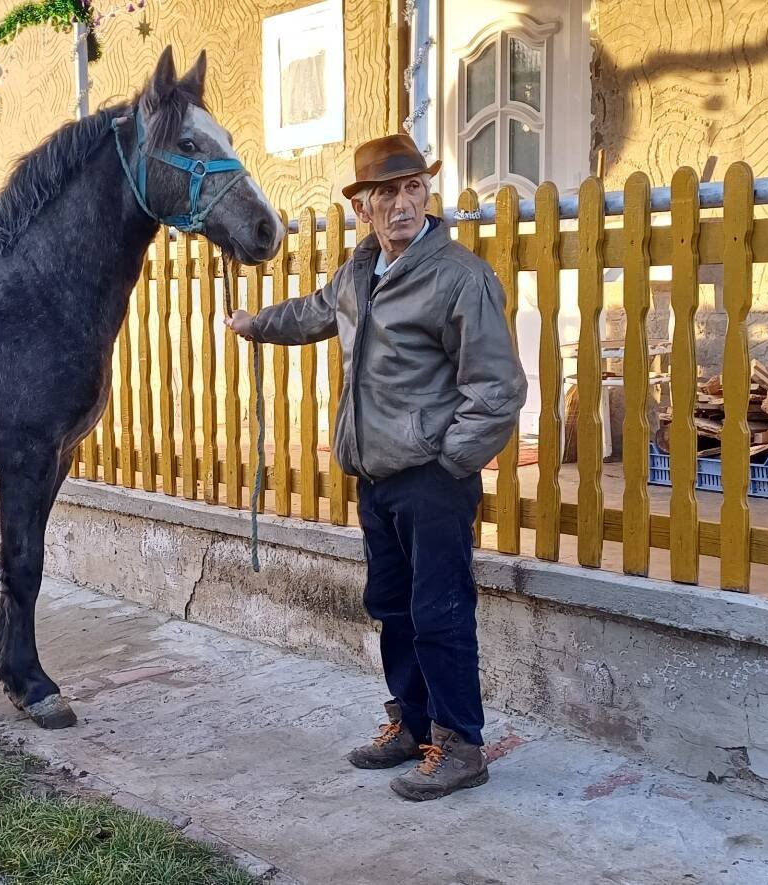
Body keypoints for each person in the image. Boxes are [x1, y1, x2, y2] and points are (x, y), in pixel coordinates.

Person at [225, 133, 526, 801]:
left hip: (432, 478)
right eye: (386, 193)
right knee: (392, 605)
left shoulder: (458, 277)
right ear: (362, 206)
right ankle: (413, 725)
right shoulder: (360, 273)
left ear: (427, 194)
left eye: (414, 188)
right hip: (377, 478)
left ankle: (460, 743)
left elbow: (498, 387)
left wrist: (452, 459)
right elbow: (312, 313)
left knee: (439, 609)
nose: (403, 203)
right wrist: (254, 323)